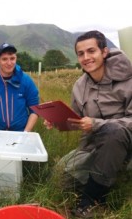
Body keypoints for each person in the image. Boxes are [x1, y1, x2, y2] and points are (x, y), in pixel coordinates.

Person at [44, 30, 132, 218]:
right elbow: (79, 122)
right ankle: (107, 178)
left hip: (127, 141)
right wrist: (59, 121)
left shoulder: (130, 80)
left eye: (91, 51)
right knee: (59, 179)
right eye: (81, 53)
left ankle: (91, 201)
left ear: (105, 52)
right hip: (93, 144)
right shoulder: (79, 86)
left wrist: (96, 124)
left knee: (114, 131)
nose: (86, 58)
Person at [0, 43, 39, 132]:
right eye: (4, 59)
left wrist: (25, 133)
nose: (9, 63)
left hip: (21, 131)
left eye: (12, 58)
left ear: (16, 58)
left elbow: (35, 110)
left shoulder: (26, 81)